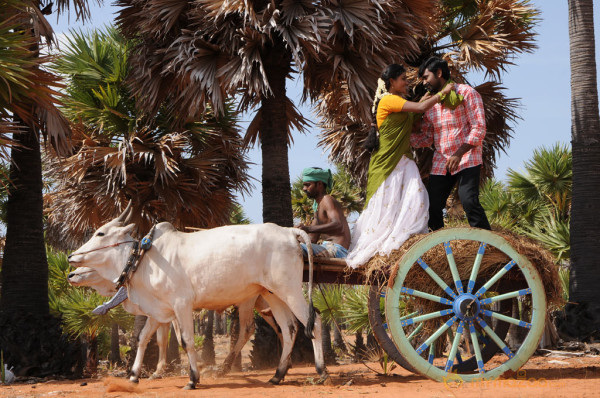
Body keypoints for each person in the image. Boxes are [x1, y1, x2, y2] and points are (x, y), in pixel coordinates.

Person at [346, 64, 455, 269]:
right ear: (392, 82)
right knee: (392, 206)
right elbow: (421, 109)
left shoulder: (399, 101)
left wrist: (426, 101)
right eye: (404, 79)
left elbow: (414, 119)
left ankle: (405, 243)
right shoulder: (389, 100)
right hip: (389, 163)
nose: (407, 82)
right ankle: (392, 245)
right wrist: (443, 92)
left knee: (415, 199)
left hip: (402, 160)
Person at [411, 56, 491, 231]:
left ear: (439, 73)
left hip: (467, 157)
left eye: (426, 77)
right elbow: (427, 138)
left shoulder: (467, 93)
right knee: (432, 206)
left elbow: (479, 129)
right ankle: (438, 245)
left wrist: (458, 154)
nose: (424, 83)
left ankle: (488, 243)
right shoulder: (431, 104)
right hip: (442, 160)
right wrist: (401, 136)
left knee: (469, 201)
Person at [297, 167, 351, 258]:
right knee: (288, 245)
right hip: (326, 247)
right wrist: (291, 235)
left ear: (319, 184)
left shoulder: (326, 199)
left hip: (337, 250)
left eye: (307, 185)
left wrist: (307, 228)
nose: (304, 189)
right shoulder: (317, 206)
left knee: (293, 248)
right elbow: (312, 239)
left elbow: (338, 224)